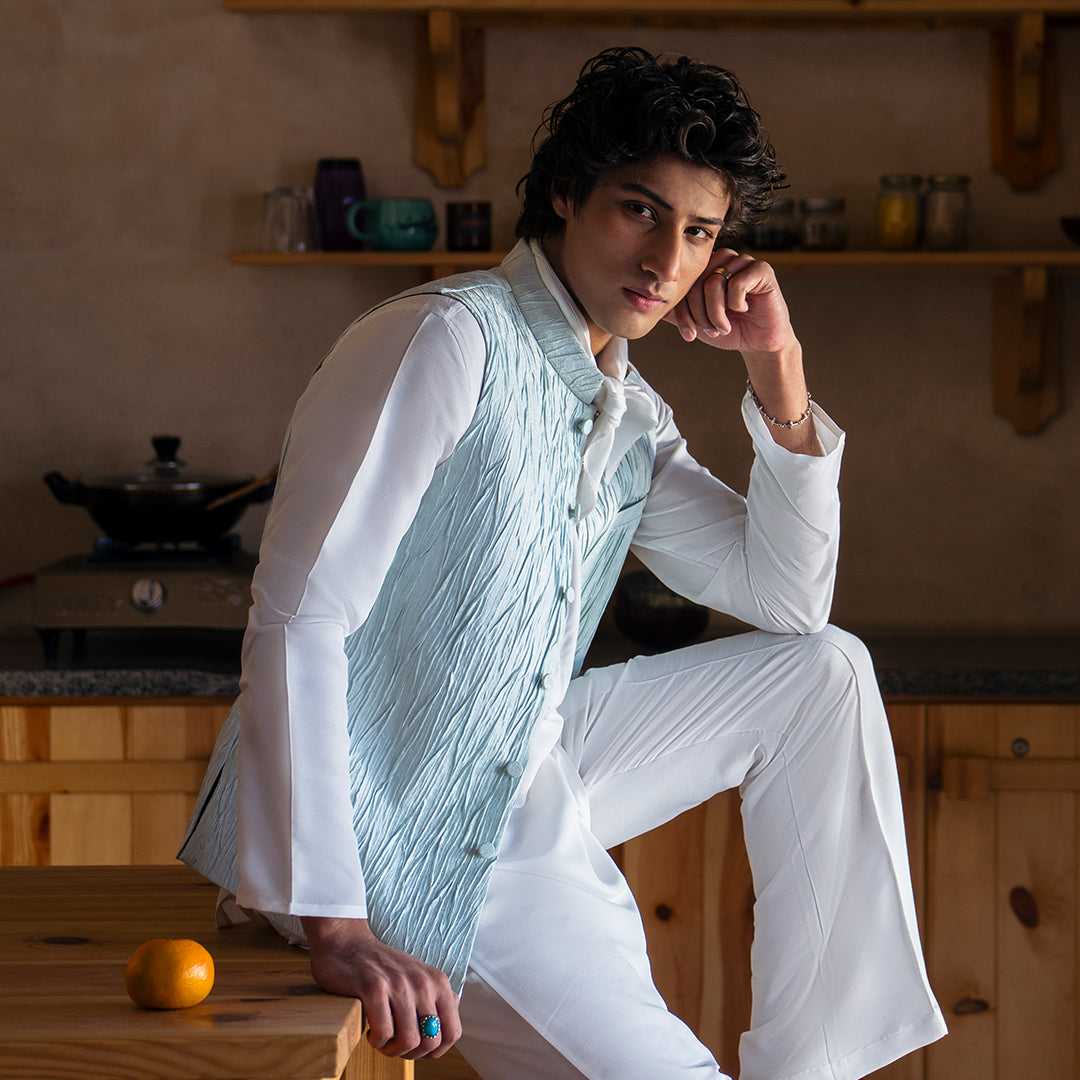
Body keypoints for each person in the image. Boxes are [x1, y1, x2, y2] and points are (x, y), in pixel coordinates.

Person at [180, 45, 946, 1080]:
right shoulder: (445, 339)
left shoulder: (626, 406)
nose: (666, 260)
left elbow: (789, 600)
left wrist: (780, 368)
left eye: (699, 232)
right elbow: (299, 620)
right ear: (564, 194)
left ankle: (809, 1066)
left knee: (826, 671)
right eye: (640, 210)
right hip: (399, 815)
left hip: (529, 765)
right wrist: (337, 920)